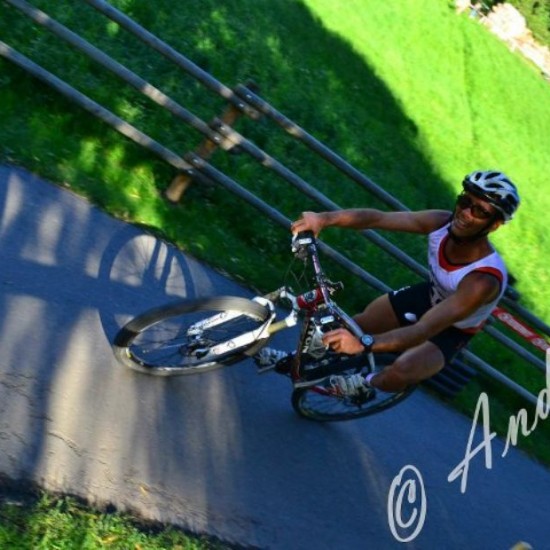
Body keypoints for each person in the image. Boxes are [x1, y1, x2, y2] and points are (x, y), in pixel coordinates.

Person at [256, 170, 520, 397]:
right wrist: (324, 219)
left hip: (454, 329)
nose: (465, 213)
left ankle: (366, 384)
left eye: (480, 211)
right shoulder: (441, 222)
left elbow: (423, 330)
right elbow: (378, 218)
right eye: (465, 201)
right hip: (430, 296)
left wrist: (363, 344)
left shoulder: (482, 280)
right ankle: (294, 360)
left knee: (401, 371)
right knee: (354, 325)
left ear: (494, 225)